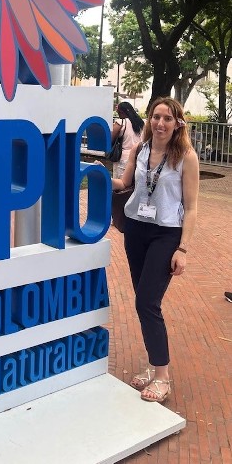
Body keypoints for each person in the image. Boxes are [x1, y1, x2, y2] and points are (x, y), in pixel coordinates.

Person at [111, 97, 199, 403]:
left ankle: (162, 377)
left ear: (178, 124)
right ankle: (153, 367)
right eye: (156, 117)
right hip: (136, 229)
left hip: (166, 234)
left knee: (148, 303)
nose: (160, 123)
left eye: (167, 118)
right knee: (142, 302)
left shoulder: (186, 156)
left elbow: (192, 207)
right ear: (149, 120)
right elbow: (124, 183)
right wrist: (98, 176)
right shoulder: (140, 149)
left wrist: (183, 248)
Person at [111, 101, 144, 179]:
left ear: (121, 112)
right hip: (139, 157)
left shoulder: (120, 122)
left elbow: (111, 139)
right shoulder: (141, 123)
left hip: (124, 158)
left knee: (121, 184)